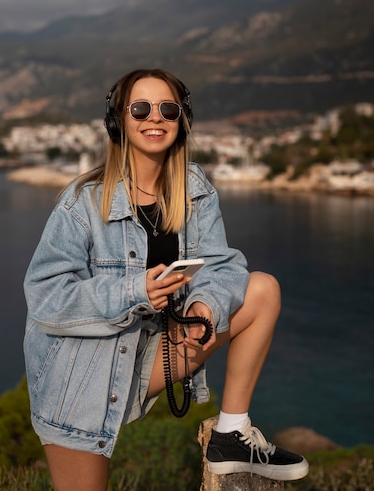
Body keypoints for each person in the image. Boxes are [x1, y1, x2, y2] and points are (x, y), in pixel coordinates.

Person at [23, 68, 309, 491]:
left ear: (182, 119)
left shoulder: (193, 188)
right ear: (119, 119)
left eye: (168, 109)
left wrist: (204, 306)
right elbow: (46, 297)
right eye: (140, 108)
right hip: (80, 379)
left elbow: (221, 265)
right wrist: (135, 291)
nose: (154, 118)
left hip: (152, 354)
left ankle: (231, 435)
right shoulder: (81, 202)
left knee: (262, 289)